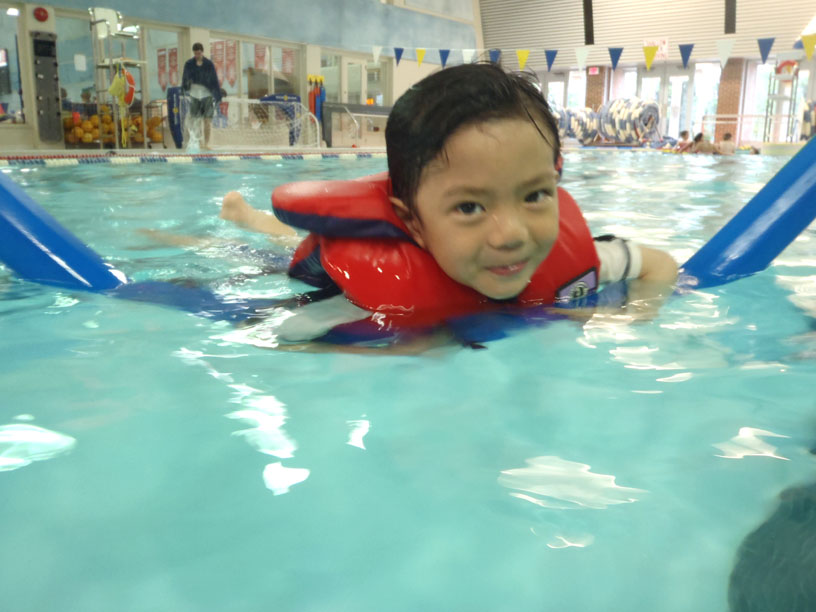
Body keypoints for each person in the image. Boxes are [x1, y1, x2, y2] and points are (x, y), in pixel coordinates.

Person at [218, 63, 677, 345]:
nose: (512, 234)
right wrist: (416, 344)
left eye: (535, 195)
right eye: (470, 208)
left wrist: (624, 318)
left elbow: (660, 265)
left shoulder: (577, 261)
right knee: (279, 252)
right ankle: (246, 218)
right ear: (410, 220)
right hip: (348, 270)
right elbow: (276, 339)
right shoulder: (375, 296)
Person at [181, 42, 221, 150]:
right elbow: (185, 78)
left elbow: (214, 80)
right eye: (195, 54)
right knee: (195, 120)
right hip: (194, 95)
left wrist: (217, 94)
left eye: (199, 53)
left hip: (206, 94)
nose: (197, 55)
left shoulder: (208, 64)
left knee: (207, 121)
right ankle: (198, 142)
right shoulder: (189, 64)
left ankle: (206, 143)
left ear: (202, 52)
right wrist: (184, 88)